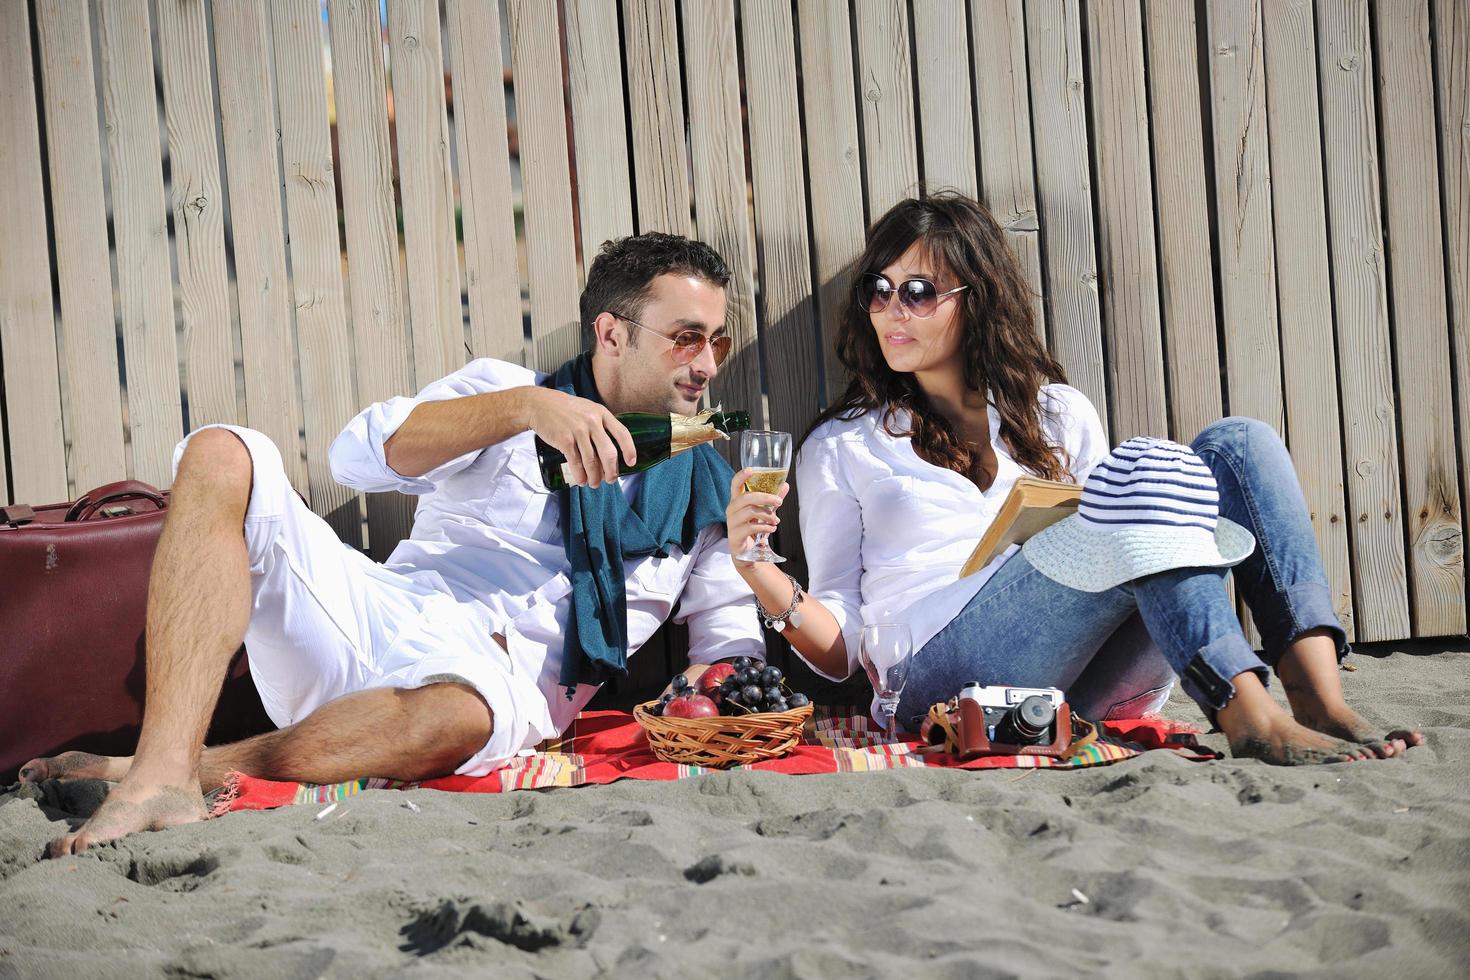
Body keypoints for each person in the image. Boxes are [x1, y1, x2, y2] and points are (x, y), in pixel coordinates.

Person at [27, 233, 766, 855]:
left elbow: (729, 652)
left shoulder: (706, 495)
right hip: (378, 615)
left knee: (458, 717)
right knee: (225, 451)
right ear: (611, 333)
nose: (705, 364)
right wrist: (523, 409)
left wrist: (753, 563)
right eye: (686, 337)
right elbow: (356, 458)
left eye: (715, 341)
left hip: (487, 689)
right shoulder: (510, 395)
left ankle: (185, 766)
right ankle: (157, 776)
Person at [726, 192, 1422, 766]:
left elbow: (1135, 540)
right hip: (934, 675)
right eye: (879, 292)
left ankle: (1319, 699)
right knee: (1146, 476)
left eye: (917, 291)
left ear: (978, 299)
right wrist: (759, 571)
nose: (891, 310)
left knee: (1241, 445)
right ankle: (1246, 710)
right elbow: (842, 654)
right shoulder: (845, 445)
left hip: (1088, 681)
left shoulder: (1056, 411)